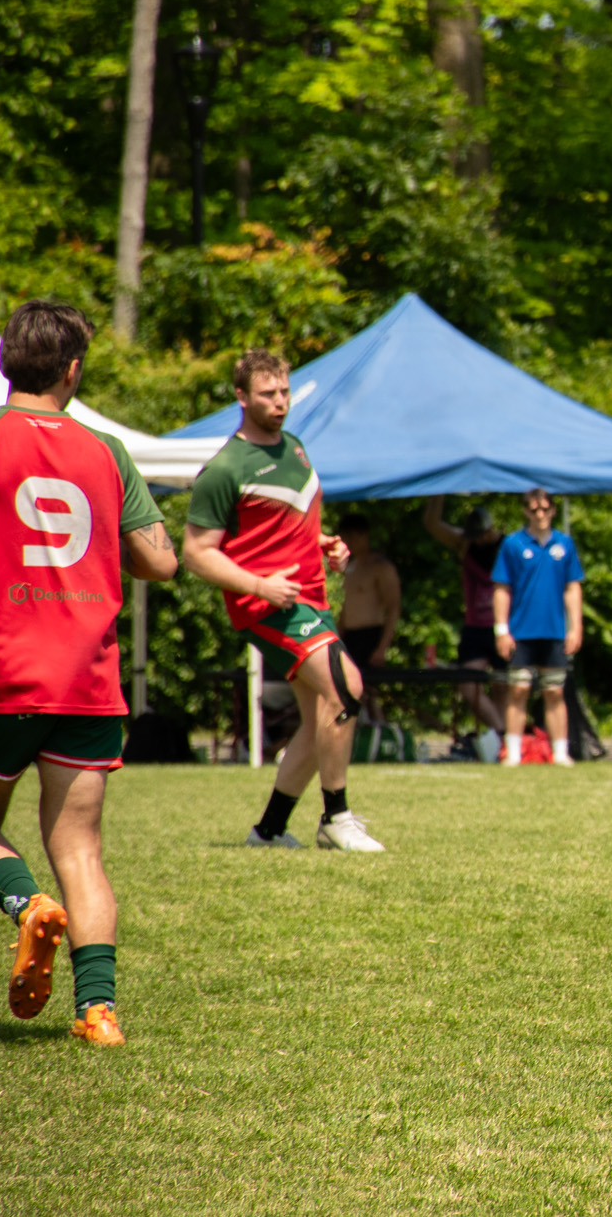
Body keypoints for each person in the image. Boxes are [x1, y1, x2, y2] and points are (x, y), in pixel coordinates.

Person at [0, 300, 179, 1047]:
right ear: (73, 369)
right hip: (89, 683)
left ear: (6, 363)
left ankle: (27, 904)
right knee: (82, 849)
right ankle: (99, 1012)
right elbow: (160, 559)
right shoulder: (107, 452)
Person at [186, 349, 385, 853]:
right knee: (347, 686)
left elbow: (288, 525)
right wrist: (258, 585)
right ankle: (335, 818)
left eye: (284, 392)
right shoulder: (225, 467)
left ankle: (269, 831)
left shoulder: (294, 448)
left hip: (309, 599)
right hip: (268, 606)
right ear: (241, 397)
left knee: (322, 711)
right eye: (267, 394)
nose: (279, 402)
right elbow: (196, 553)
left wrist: (328, 548)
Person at [492, 488, 585, 766]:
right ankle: (514, 752)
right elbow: (501, 589)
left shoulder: (564, 544)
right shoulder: (513, 544)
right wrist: (501, 629)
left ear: (553, 510)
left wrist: (575, 627)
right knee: (518, 689)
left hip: (554, 630)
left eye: (545, 509)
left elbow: (572, 588)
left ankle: (559, 752)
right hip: (521, 631)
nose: (540, 514)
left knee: (555, 691)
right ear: (525, 511)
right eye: (534, 510)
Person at [424, 496, 508, 758]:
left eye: (481, 535)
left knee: (503, 687)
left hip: (504, 626)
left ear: (491, 529)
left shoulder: (509, 546)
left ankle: (500, 749)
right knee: (467, 685)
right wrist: (440, 491)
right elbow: (432, 523)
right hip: (475, 628)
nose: (477, 540)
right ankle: (502, 732)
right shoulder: (465, 543)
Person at [336, 512, 400, 724]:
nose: (348, 543)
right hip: (350, 637)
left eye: (352, 538)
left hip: (371, 635)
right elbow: (346, 609)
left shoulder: (381, 567)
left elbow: (393, 607)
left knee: (370, 692)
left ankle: (380, 733)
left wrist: (382, 646)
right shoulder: (351, 568)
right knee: (347, 689)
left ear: (364, 536)